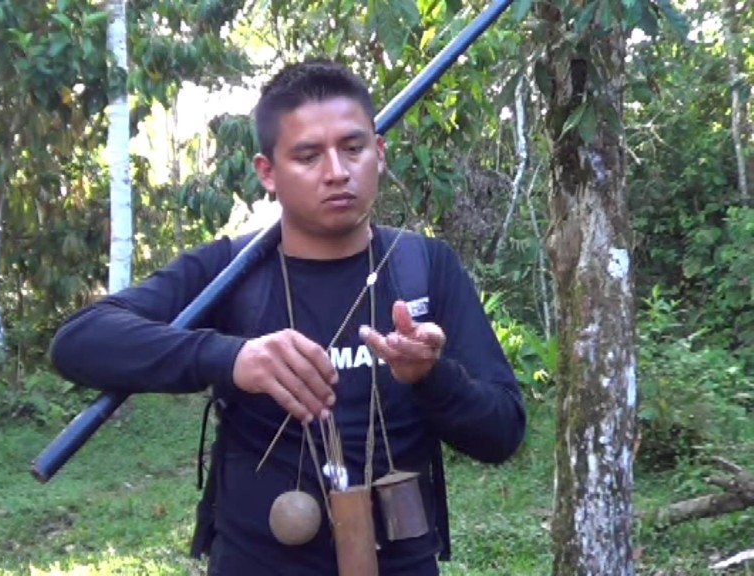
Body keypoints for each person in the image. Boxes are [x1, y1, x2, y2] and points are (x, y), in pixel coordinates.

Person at [50, 59, 525, 576]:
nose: (337, 172)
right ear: (267, 173)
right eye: (307, 156)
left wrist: (433, 377)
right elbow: (79, 340)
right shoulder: (228, 272)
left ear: (380, 153)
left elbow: (502, 432)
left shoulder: (425, 268)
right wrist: (231, 357)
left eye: (353, 147)